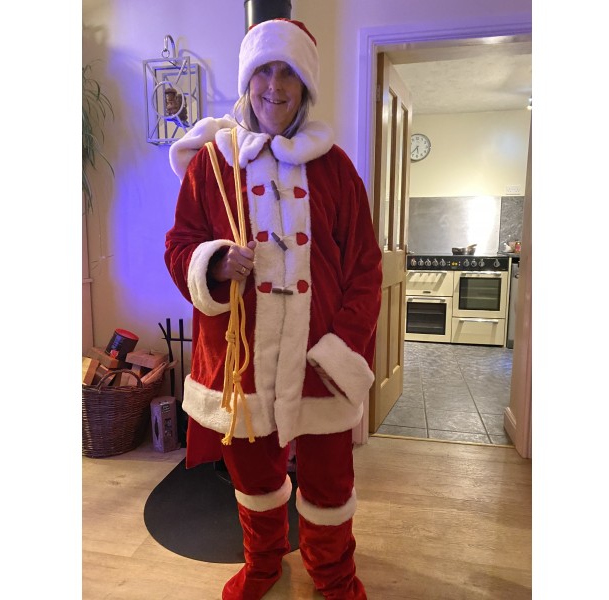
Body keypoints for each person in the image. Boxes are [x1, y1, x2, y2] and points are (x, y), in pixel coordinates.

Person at [164, 18, 381, 600]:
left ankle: (333, 576)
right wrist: (213, 262)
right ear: (247, 81)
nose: (275, 86)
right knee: (254, 479)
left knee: (329, 484)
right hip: (241, 364)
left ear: (305, 85)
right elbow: (179, 245)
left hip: (319, 362)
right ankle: (262, 566)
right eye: (264, 71)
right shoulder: (212, 166)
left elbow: (365, 268)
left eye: (288, 73)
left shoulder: (336, 168)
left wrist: (341, 349)